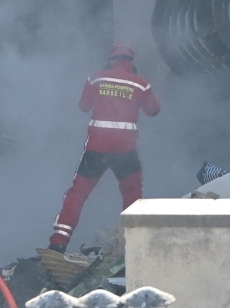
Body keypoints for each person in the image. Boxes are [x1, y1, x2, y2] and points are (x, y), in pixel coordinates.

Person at [47, 42, 160, 253]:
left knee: (77, 194)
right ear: (131, 62)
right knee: (132, 194)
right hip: (125, 151)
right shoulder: (141, 84)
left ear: (110, 60)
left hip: (96, 150)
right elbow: (153, 110)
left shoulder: (96, 78)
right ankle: (133, 244)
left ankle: (58, 243)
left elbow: (83, 106)